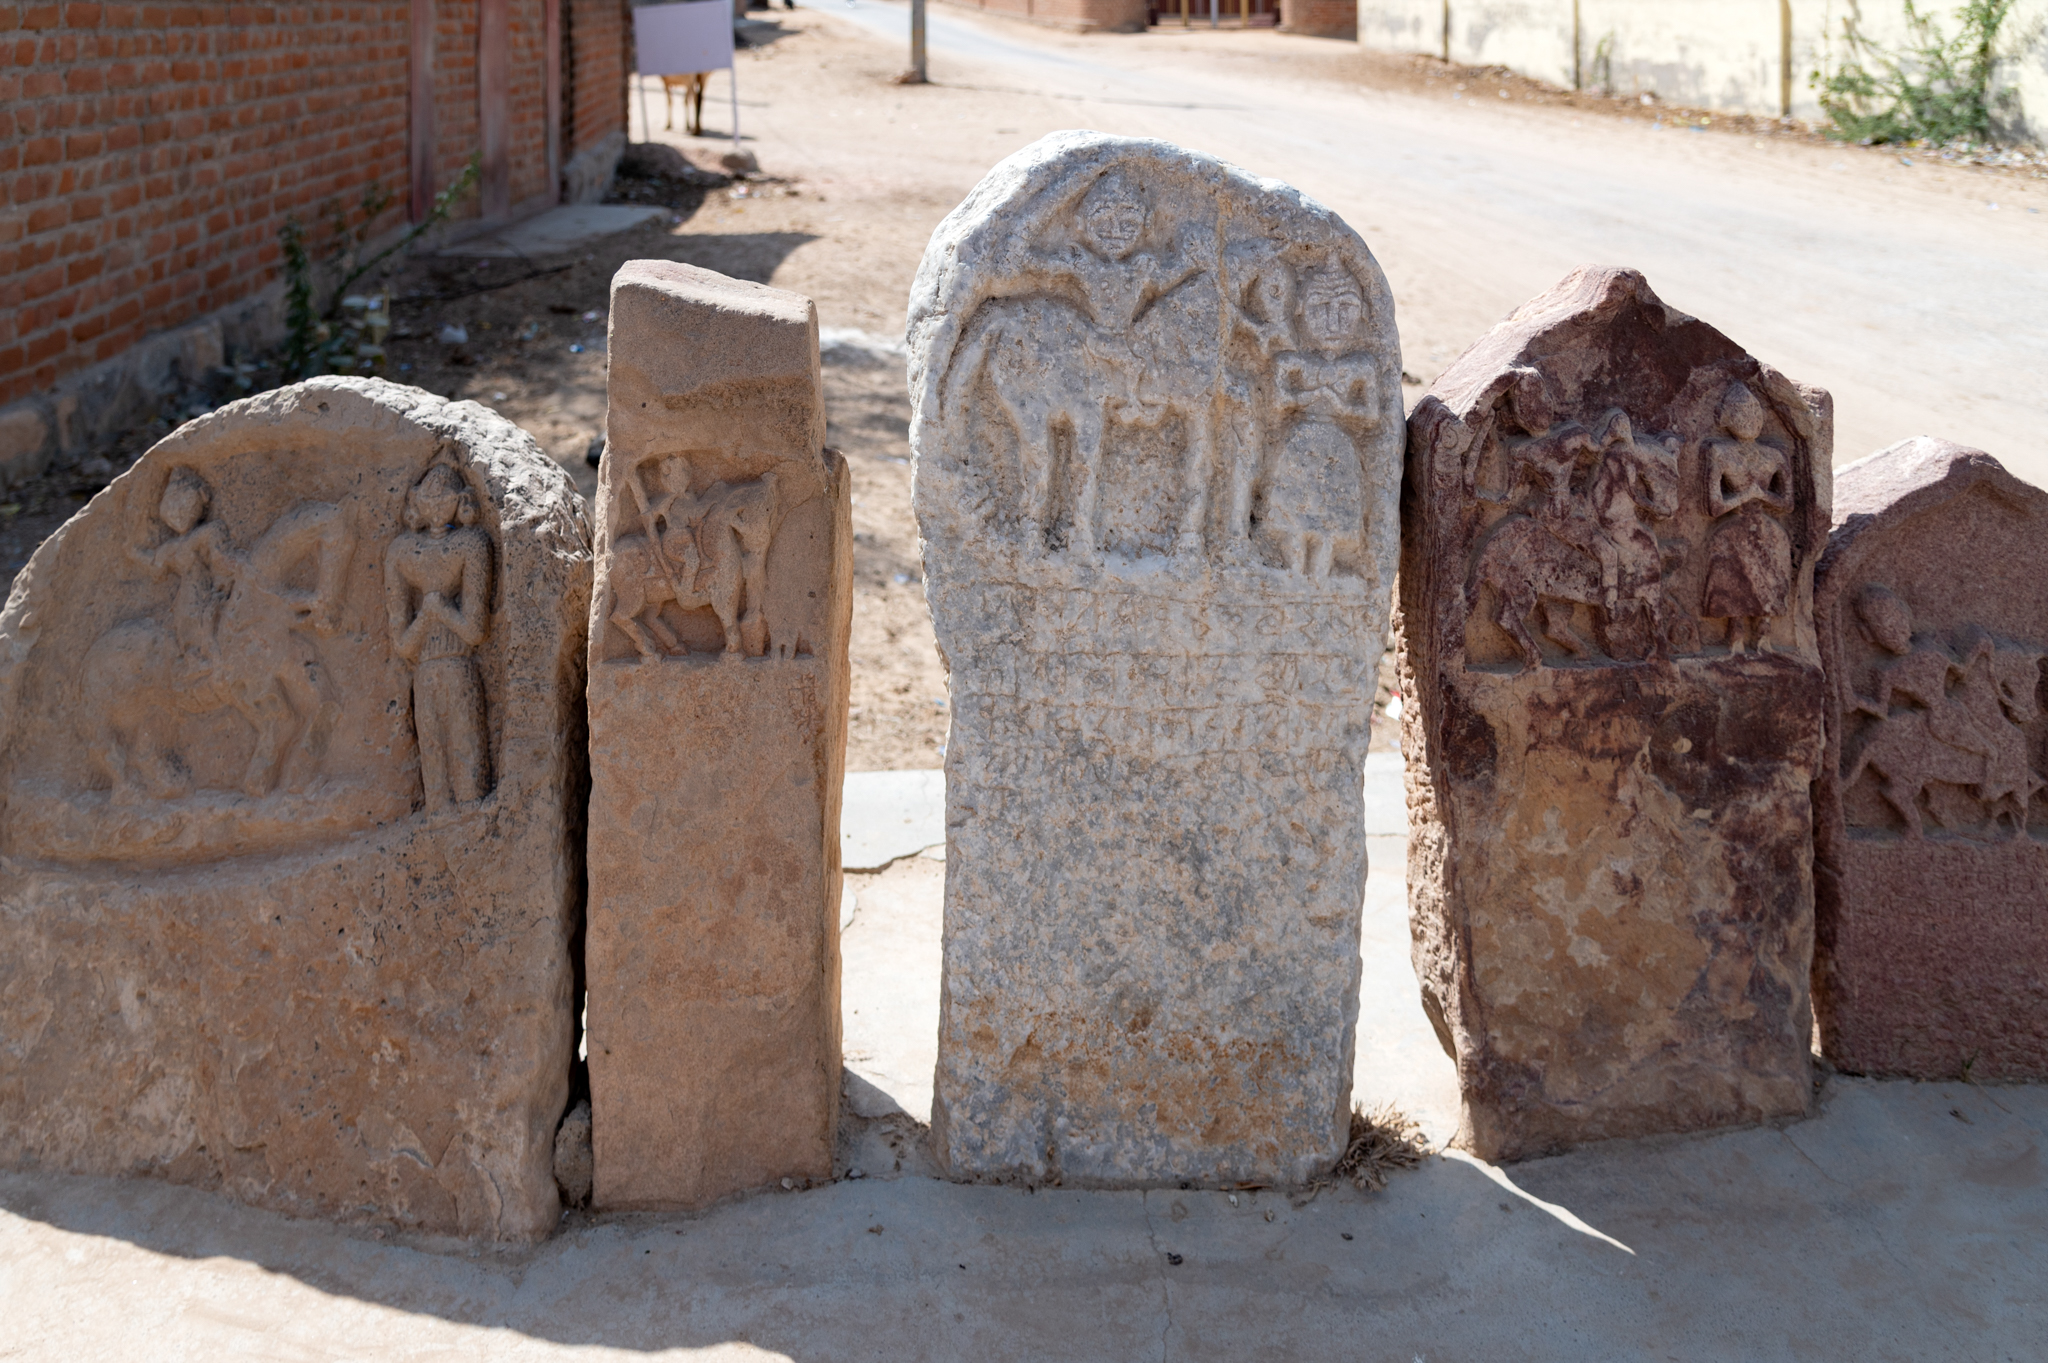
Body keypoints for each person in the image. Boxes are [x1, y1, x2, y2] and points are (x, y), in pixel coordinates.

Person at [384, 464, 494, 809]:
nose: (435, 506)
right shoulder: (402, 552)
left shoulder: (471, 544)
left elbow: (476, 632)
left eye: (443, 497)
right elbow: (402, 644)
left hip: (459, 666)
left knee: (467, 760)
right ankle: (441, 822)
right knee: (433, 767)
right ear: (416, 501)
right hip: (425, 671)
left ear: (459, 501)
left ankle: (473, 818)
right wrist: (431, 612)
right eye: (427, 498)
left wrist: (439, 608)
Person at [1701, 381, 1795, 653]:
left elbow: (1787, 503)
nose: (1749, 420)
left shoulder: (1774, 454)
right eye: (1741, 414)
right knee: (1729, 561)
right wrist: (1746, 496)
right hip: (1734, 523)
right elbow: (1714, 507)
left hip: (1765, 523)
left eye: (1754, 413)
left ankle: (1765, 633)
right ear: (1727, 418)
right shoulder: (1720, 453)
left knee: (1773, 561)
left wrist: (1762, 496)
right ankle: (1735, 632)